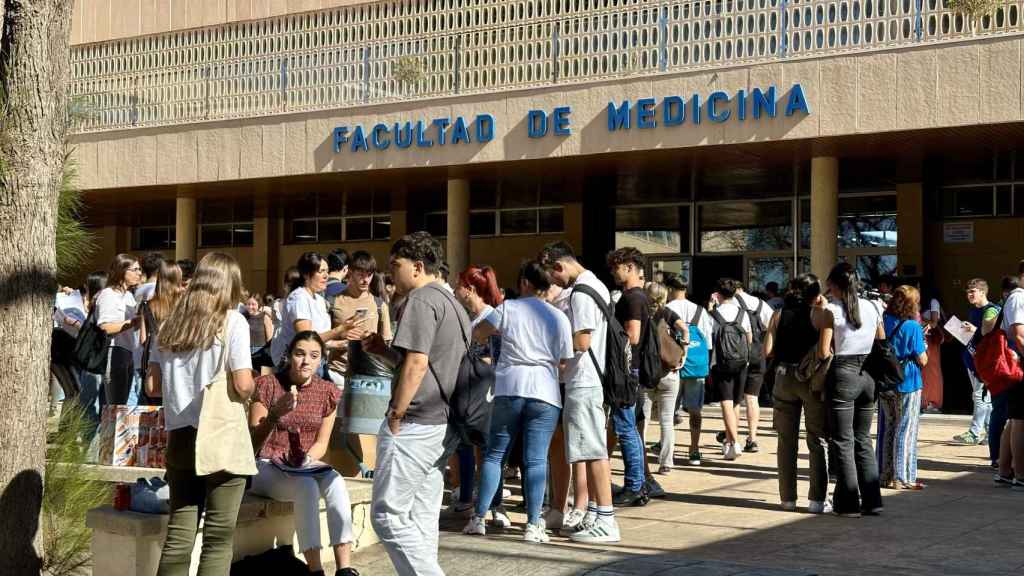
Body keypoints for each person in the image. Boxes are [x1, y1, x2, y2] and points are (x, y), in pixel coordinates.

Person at [366, 231, 471, 575]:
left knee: (387, 516)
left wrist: (396, 412)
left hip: (415, 423)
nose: (389, 272)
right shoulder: (453, 303)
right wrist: (384, 351)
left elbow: (418, 364)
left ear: (418, 266)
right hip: (442, 423)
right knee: (421, 516)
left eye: (395, 265)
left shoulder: (422, 300)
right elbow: (424, 360)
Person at [144, 252, 255, 576]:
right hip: (220, 433)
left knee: (179, 534)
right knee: (218, 539)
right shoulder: (233, 321)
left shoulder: (168, 323)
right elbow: (243, 383)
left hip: (180, 434)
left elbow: (152, 385)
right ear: (229, 283)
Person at [464, 261, 573, 543]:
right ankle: (534, 524)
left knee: (494, 454)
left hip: (509, 385)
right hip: (545, 391)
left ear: (524, 282)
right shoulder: (558, 316)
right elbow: (564, 360)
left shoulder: (508, 308)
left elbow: (479, 333)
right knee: (536, 459)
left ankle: (478, 518)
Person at [249, 331, 358, 576]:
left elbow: (322, 443)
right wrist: (275, 414)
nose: (306, 361)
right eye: (300, 354)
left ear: (321, 360)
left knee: (336, 480)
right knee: (307, 486)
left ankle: (345, 568)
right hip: (266, 465)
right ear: (289, 355)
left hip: (302, 464)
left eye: (314, 355)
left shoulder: (327, 392)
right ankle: (315, 569)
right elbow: (252, 442)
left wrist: (302, 460)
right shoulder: (268, 385)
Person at [538, 241, 621, 543]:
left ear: (558, 266)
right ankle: (597, 513)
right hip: (588, 379)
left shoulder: (582, 292)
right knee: (590, 449)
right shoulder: (593, 285)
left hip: (584, 380)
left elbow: (582, 340)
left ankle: (607, 519)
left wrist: (551, 350)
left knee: (594, 450)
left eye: (552, 276)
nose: (554, 284)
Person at [820, 262, 885, 517]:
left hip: (843, 371)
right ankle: (872, 500)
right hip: (868, 373)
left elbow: (824, 351)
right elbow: (881, 340)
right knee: (862, 438)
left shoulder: (831, 310)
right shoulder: (873, 306)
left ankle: (848, 503)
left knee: (842, 440)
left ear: (834, 285)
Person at [766, 273, 831, 513]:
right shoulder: (820, 315)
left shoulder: (778, 314)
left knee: (786, 441)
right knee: (816, 439)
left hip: (783, 378)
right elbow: (824, 353)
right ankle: (816, 500)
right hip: (810, 380)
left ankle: (788, 499)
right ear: (816, 294)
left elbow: (768, 350)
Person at [451, 265, 509, 525]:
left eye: (458, 285)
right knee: (468, 444)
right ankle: (468, 498)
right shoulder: (471, 317)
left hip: (486, 392)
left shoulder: (492, 318)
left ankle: (495, 505)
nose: (454, 290)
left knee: (488, 449)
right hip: (470, 391)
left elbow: (496, 356)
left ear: (470, 289)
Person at [606, 247, 651, 505]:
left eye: (616, 267)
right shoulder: (635, 296)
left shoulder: (633, 298)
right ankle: (639, 483)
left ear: (630, 267)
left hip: (626, 371)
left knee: (626, 428)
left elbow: (632, 336)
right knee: (626, 427)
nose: (613, 271)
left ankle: (635, 485)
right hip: (629, 370)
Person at [270, 252, 360, 372]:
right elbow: (307, 339)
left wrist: (339, 344)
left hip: (317, 362)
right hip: (297, 367)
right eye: (321, 271)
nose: (326, 276)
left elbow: (319, 336)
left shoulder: (319, 299)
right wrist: (340, 329)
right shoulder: (299, 298)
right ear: (307, 274)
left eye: (327, 271)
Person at [877, 285, 929, 491]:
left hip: (885, 381)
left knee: (887, 427)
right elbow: (922, 359)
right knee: (906, 429)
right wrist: (922, 339)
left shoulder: (883, 319)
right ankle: (903, 476)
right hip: (908, 381)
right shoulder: (912, 327)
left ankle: (883, 474)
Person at [662, 274, 712, 466]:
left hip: (671, 365)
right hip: (695, 367)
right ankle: (694, 450)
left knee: (668, 413)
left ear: (670, 289)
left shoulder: (667, 309)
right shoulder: (699, 311)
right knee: (695, 410)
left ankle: (668, 451)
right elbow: (707, 342)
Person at [640, 281, 688, 476]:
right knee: (667, 420)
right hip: (669, 372)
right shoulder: (667, 313)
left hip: (645, 374)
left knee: (642, 421)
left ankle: (640, 463)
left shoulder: (640, 313)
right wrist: (683, 353)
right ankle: (666, 463)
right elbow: (684, 329)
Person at [327, 251, 392, 388]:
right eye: (360, 274)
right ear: (350, 272)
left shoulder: (380, 305)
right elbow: (319, 339)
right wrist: (340, 335)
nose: (365, 280)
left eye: (369, 275)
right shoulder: (332, 302)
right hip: (337, 374)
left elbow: (386, 343)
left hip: (368, 375)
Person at [707, 278, 753, 460]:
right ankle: (729, 443)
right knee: (735, 402)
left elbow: (708, 340)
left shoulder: (713, 315)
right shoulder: (743, 314)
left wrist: (710, 307)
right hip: (742, 362)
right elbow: (749, 339)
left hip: (721, 363)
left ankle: (734, 441)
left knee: (725, 402)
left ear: (717, 295)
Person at [954, 279, 1000, 445]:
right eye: (968, 292)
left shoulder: (992, 310)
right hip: (972, 359)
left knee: (981, 397)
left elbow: (992, 334)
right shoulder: (975, 311)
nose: (969, 295)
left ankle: (975, 432)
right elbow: (976, 337)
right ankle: (990, 433)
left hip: (984, 362)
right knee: (982, 398)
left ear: (983, 292)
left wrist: (973, 330)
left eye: (973, 291)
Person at [96, 253, 144, 406]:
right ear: (122, 271)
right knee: (115, 407)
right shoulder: (108, 294)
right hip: (114, 352)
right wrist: (132, 322)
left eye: (140, 269)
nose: (139, 273)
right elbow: (104, 327)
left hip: (129, 353)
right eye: (135, 269)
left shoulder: (129, 296)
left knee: (121, 406)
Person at [732, 283, 774, 453]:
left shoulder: (730, 304)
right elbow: (771, 323)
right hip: (757, 353)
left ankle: (732, 438)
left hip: (737, 355)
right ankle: (752, 438)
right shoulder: (760, 303)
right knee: (752, 398)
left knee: (734, 399)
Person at [995, 262, 1024, 489]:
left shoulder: (1016, 297)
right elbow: (1019, 334)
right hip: (1019, 363)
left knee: (1015, 419)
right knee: (1021, 419)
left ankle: (1005, 470)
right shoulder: (1019, 298)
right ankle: (1020, 475)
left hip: (1016, 362)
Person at [76, 271, 109, 435]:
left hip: (94, 360)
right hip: (104, 359)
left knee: (89, 404)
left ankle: (91, 448)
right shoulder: (108, 298)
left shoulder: (99, 300)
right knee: (102, 404)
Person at [920, 291, 944, 413]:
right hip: (922, 337)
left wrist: (920, 319)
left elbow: (934, 323)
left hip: (931, 340)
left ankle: (933, 401)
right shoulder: (919, 302)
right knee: (924, 371)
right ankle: (924, 401)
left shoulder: (933, 302)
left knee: (932, 370)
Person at [243, 293, 275, 376]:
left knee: (259, 377)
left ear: (259, 305)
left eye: (253, 304)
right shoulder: (244, 317)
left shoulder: (264, 317)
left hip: (260, 352)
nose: (250, 307)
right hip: (247, 351)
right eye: (248, 304)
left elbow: (270, 338)